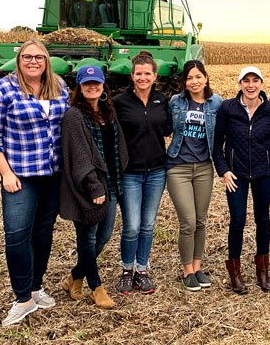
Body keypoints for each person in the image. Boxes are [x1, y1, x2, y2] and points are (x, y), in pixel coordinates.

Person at [0, 39, 69, 326]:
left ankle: (36, 287)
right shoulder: (2, 89)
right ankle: (22, 299)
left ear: (47, 60)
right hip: (20, 177)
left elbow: (68, 125)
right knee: (17, 235)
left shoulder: (58, 86)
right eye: (27, 57)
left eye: (39, 57)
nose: (33, 62)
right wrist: (6, 173)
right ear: (19, 60)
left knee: (43, 232)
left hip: (52, 175)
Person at [59, 66, 128, 309]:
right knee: (87, 238)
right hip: (88, 188)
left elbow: (116, 146)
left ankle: (74, 277)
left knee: (104, 235)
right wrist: (93, 187)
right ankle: (96, 287)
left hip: (109, 185)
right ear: (79, 87)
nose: (92, 87)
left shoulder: (108, 111)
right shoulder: (74, 116)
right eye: (87, 83)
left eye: (96, 83)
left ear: (103, 86)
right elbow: (79, 156)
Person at [213, 66, 270, 294]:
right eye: (246, 81)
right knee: (238, 220)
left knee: (263, 219)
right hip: (236, 175)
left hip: (263, 173)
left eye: (255, 80)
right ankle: (236, 272)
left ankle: (262, 271)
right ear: (240, 84)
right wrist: (223, 170)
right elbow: (216, 144)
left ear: (261, 83)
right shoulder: (227, 108)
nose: (251, 85)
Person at [113, 52, 171, 294]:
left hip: (157, 171)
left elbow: (168, 129)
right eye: (139, 73)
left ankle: (142, 270)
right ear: (132, 75)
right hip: (131, 173)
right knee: (132, 226)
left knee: (148, 224)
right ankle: (127, 271)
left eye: (148, 73)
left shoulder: (162, 100)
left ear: (155, 76)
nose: (143, 77)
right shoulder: (119, 102)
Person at [166, 60, 223, 291]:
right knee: (187, 221)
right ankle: (186, 270)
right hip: (177, 167)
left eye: (198, 76)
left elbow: (239, 109)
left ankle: (198, 267)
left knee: (201, 220)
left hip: (203, 168)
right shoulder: (175, 102)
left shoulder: (216, 103)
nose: (194, 81)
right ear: (184, 82)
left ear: (206, 78)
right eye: (189, 78)